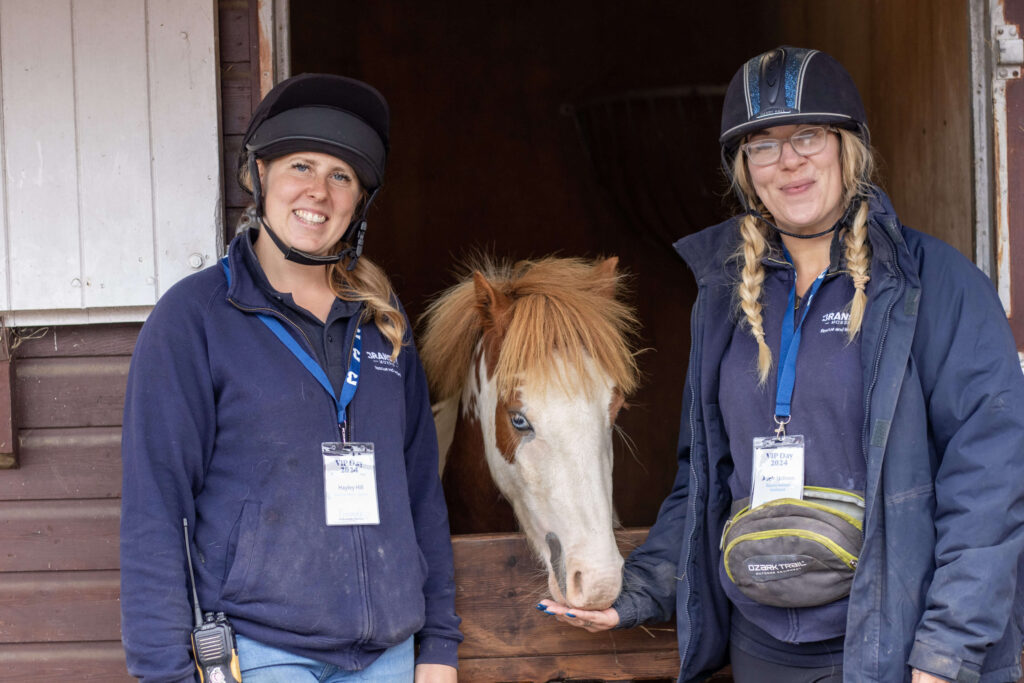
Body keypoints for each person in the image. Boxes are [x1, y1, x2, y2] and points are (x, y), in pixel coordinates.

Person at [540, 46, 1024, 682]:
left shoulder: (934, 286)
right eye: (762, 146)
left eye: (807, 136)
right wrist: (639, 592)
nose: (788, 161)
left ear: (848, 146)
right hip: (764, 646)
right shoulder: (721, 301)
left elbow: (989, 479)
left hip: (893, 644)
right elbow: (704, 480)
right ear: (744, 169)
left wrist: (945, 652)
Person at [120, 73, 461, 682]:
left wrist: (438, 647)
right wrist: (165, 674)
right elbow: (156, 507)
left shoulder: (385, 324)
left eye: (342, 176)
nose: (319, 192)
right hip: (260, 652)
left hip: (387, 654)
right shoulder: (193, 319)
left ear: (360, 201)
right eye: (300, 165)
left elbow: (420, 496)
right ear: (259, 175)